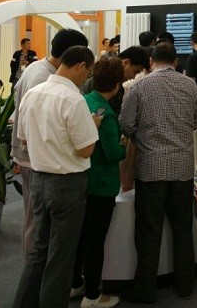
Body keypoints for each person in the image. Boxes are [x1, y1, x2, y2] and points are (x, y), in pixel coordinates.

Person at [119, 41, 197, 304]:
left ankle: (145, 290)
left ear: (150, 61)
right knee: (183, 230)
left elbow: (126, 124)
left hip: (150, 169)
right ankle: (185, 285)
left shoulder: (139, 87)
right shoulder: (189, 85)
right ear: (176, 62)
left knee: (149, 232)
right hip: (182, 169)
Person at [13, 46, 100, 308]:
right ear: (81, 66)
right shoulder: (73, 99)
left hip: (38, 179)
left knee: (39, 251)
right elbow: (86, 149)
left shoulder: (32, 93)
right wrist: (92, 126)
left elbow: (23, 138)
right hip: (67, 183)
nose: (85, 79)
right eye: (87, 72)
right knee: (61, 257)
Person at [11, 28, 89, 257]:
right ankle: (33, 268)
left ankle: (35, 268)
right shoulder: (44, 78)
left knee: (35, 219)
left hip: (32, 156)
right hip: (36, 159)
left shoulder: (36, 68)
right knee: (36, 223)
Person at [72, 58, 126, 308]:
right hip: (102, 184)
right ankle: (93, 295)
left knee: (80, 237)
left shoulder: (84, 101)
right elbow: (113, 153)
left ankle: (75, 283)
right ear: (117, 85)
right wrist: (125, 146)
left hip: (82, 180)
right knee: (95, 241)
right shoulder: (107, 114)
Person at [81, 45, 149, 115]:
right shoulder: (104, 79)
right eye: (135, 72)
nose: (133, 77)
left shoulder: (117, 84)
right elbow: (97, 111)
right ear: (125, 63)